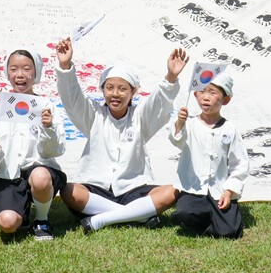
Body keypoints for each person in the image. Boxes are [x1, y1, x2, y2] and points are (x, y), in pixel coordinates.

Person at [55, 37, 187, 232]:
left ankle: (103, 219)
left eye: (122, 88)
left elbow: (159, 102)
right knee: (68, 190)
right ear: (102, 90)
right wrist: (65, 65)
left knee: (172, 191)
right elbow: (72, 98)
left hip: (132, 188)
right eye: (109, 88)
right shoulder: (93, 115)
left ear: (133, 92)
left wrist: (171, 76)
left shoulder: (140, 117)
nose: (115, 94)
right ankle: (138, 217)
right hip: (96, 188)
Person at [0, 49, 65, 241]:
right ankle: (20, 211)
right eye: (14, 69)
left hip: (41, 171)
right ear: (7, 73)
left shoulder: (46, 105)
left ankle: (42, 219)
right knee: (8, 224)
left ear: (36, 73)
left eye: (26, 68)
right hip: (9, 175)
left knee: (39, 176)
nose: (20, 74)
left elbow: (54, 151)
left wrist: (48, 127)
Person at [168, 70, 250, 239]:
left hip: (219, 189)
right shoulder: (190, 124)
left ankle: (212, 219)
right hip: (194, 189)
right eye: (202, 92)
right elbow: (177, 140)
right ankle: (188, 217)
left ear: (225, 99)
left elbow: (239, 164)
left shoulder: (230, 129)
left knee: (231, 231)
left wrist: (229, 191)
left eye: (212, 93)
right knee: (187, 213)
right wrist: (180, 122)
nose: (206, 97)